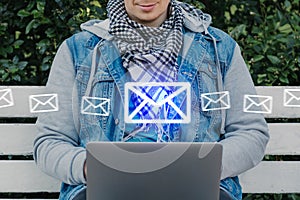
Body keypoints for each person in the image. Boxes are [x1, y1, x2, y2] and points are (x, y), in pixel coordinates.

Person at [33, 0, 269, 199]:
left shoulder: (218, 48)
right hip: (105, 192)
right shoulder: (79, 51)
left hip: (197, 191)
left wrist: (203, 167)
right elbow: (50, 141)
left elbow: (251, 132)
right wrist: (91, 168)